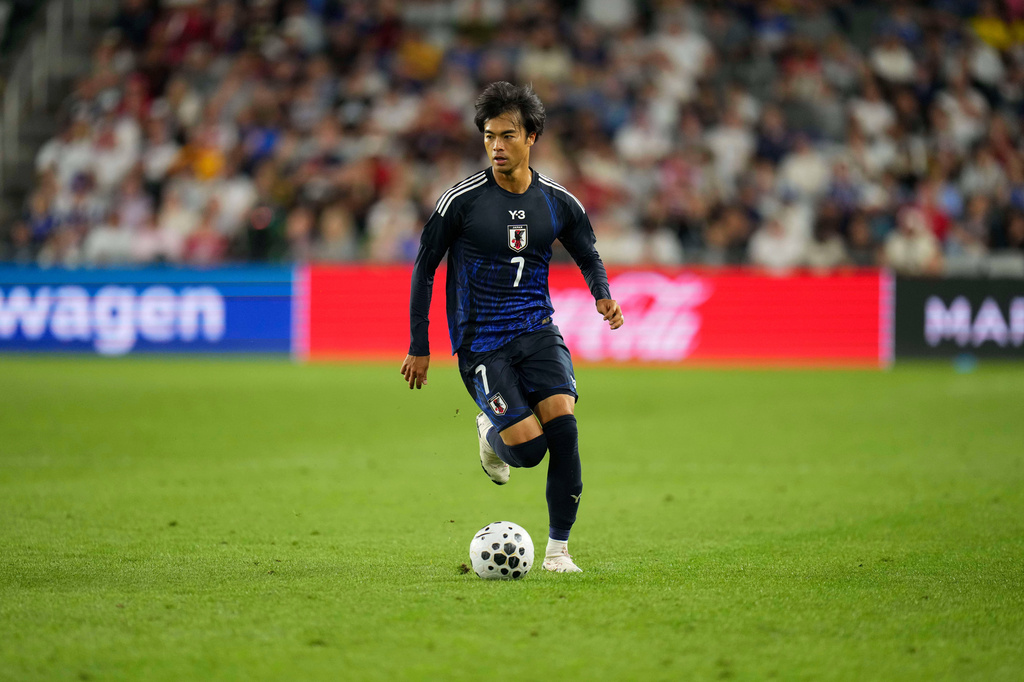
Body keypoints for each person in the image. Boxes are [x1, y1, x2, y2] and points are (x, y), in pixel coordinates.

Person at [400, 82, 624, 573]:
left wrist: (602, 294)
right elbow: (425, 267)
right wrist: (420, 344)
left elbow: (587, 252)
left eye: (507, 135)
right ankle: (490, 432)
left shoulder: (558, 202)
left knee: (564, 428)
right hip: (482, 344)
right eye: (488, 136)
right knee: (529, 451)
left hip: (537, 330)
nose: (496, 146)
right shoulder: (460, 202)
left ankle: (559, 552)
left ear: (532, 137)